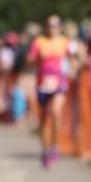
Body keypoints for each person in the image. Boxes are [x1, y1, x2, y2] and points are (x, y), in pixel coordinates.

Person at [28, 15, 78, 167]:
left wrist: (73, 69)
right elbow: (29, 60)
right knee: (43, 119)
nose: (52, 28)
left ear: (60, 27)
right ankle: (45, 149)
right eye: (49, 25)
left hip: (60, 83)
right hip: (43, 84)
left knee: (56, 112)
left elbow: (74, 59)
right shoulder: (39, 42)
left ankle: (55, 146)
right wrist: (38, 58)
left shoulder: (66, 42)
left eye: (55, 25)